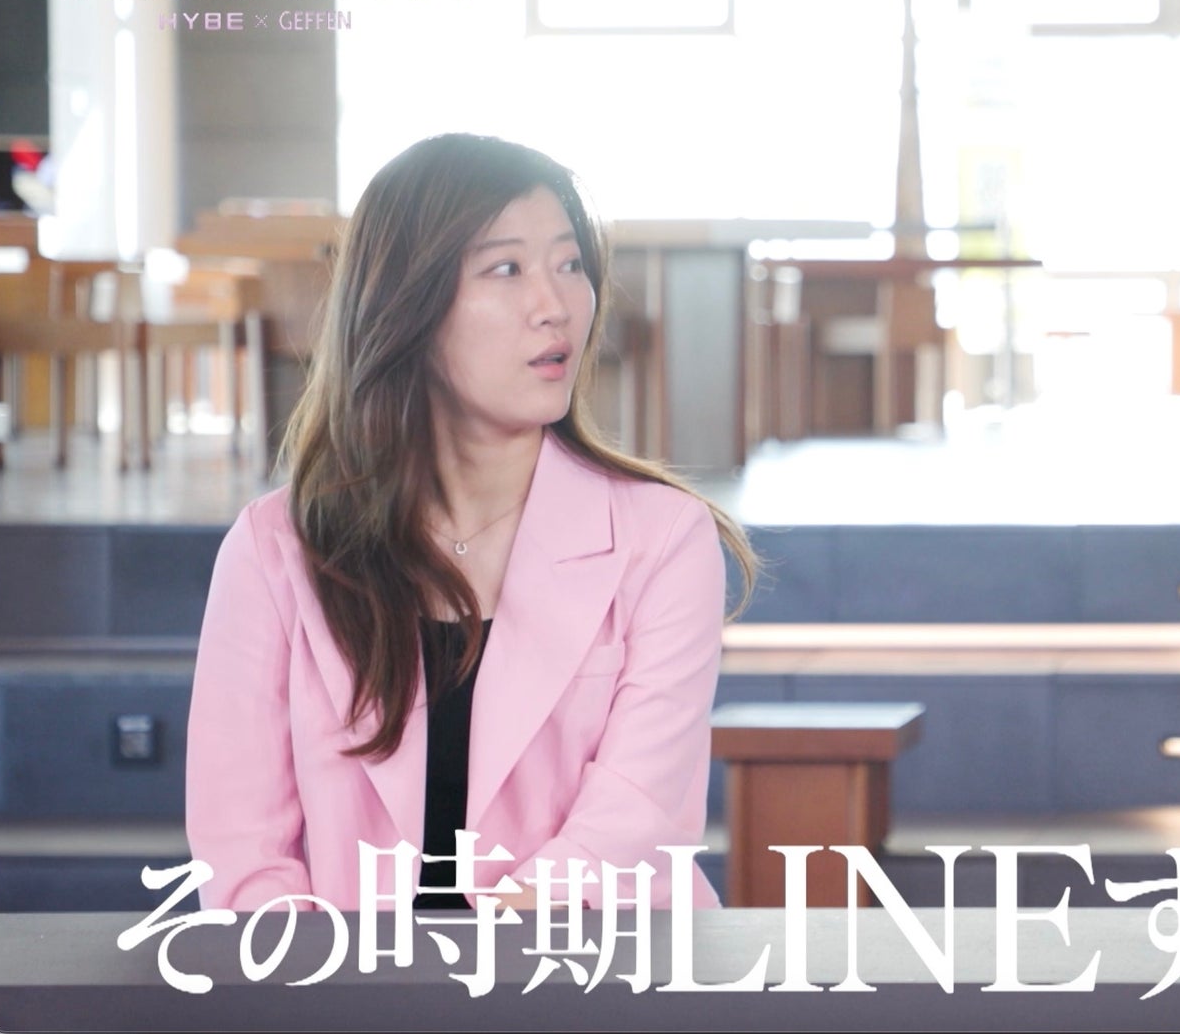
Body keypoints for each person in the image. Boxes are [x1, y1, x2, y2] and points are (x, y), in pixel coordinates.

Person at [186, 134, 758, 911]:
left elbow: (630, 825)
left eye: (570, 264)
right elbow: (245, 856)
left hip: (591, 968)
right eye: (507, 269)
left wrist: (471, 963)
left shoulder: (664, 538)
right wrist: (347, 976)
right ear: (407, 306)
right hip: (339, 979)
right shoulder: (272, 551)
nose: (556, 304)